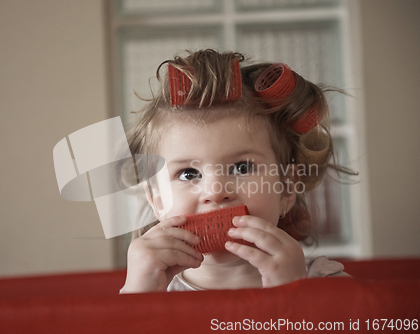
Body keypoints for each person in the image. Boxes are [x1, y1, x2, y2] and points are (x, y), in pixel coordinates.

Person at [120, 49, 354, 294]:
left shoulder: (325, 284)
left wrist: (292, 295)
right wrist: (138, 300)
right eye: (188, 173)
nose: (216, 192)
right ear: (157, 200)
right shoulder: (150, 288)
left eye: (242, 167)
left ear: (286, 188)